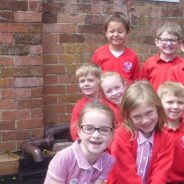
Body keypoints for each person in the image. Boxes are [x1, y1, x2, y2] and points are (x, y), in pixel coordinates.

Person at [107, 80, 173, 184]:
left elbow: (160, 172)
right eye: (137, 116)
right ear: (128, 116)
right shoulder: (122, 135)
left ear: (157, 109)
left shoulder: (166, 138)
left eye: (149, 113)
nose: (145, 120)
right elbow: (125, 172)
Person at [44, 102, 115, 184]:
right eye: (89, 128)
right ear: (79, 132)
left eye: (104, 130)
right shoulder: (64, 159)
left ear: (112, 134)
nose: (96, 135)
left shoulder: (108, 161)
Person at [91, 12, 140, 84]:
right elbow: (92, 77)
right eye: (112, 31)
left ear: (127, 33)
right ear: (106, 33)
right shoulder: (99, 53)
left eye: (120, 31)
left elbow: (136, 82)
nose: (116, 34)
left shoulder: (132, 56)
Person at [141, 21, 183, 90]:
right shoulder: (149, 63)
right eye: (165, 40)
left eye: (173, 40)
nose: (169, 43)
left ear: (179, 43)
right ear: (157, 42)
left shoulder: (182, 64)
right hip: (154, 100)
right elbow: (143, 88)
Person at [157, 81, 184, 184]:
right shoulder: (154, 130)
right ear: (160, 103)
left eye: (180, 102)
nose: (175, 106)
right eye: (170, 102)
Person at [70, 63, 102, 141]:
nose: (86, 84)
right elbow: (75, 130)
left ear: (100, 81)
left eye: (90, 80)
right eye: (82, 81)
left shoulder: (108, 101)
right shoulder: (79, 106)